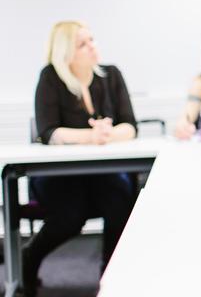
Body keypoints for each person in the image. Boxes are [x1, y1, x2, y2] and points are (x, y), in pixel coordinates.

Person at [27, 21, 137, 296]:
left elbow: (130, 126)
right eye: (83, 44)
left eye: (92, 40)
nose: (92, 47)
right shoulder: (51, 78)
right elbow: (48, 132)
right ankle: (29, 261)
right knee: (71, 214)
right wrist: (89, 136)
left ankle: (110, 275)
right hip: (59, 175)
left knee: (120, 200)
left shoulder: (110, 76)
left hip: (102, 172)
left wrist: (107, 134)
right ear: (65, 52)